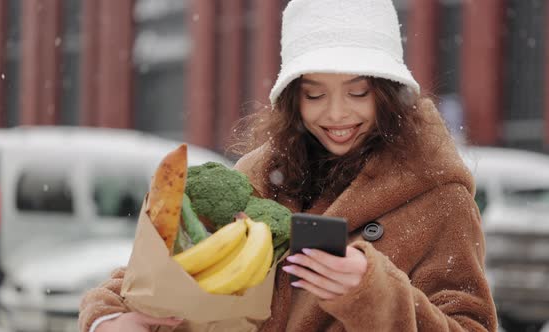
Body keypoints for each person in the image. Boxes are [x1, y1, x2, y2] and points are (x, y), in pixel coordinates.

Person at [78, 0, 498, 331]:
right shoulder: (258, 176)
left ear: (386, 94)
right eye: (315, 95)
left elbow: (470, 326)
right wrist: (108, 315)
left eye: (357, 93)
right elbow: (179, 262)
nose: (336, 115)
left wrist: (373, 295)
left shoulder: (440, 198)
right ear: (293, 99)